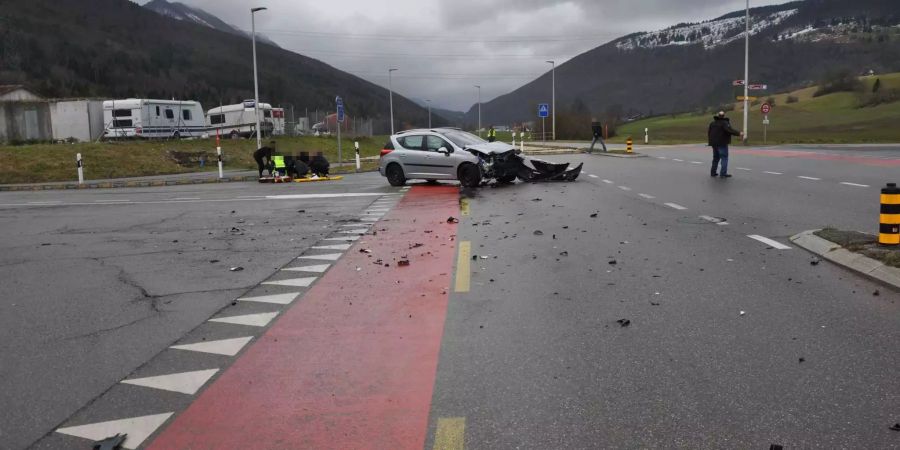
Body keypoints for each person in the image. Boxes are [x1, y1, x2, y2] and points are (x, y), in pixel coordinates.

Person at [707, 111, 743, 178]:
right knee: (724, 158)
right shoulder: (724, 123)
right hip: (722, 143)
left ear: (717, 116)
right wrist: (739, 133)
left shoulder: (712, 123)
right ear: (723, 116)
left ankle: (713, 172)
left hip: (714, 144)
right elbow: (729, 130)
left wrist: (710, 142)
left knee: (715, 158)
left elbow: (709, 133)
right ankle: (723, 174)